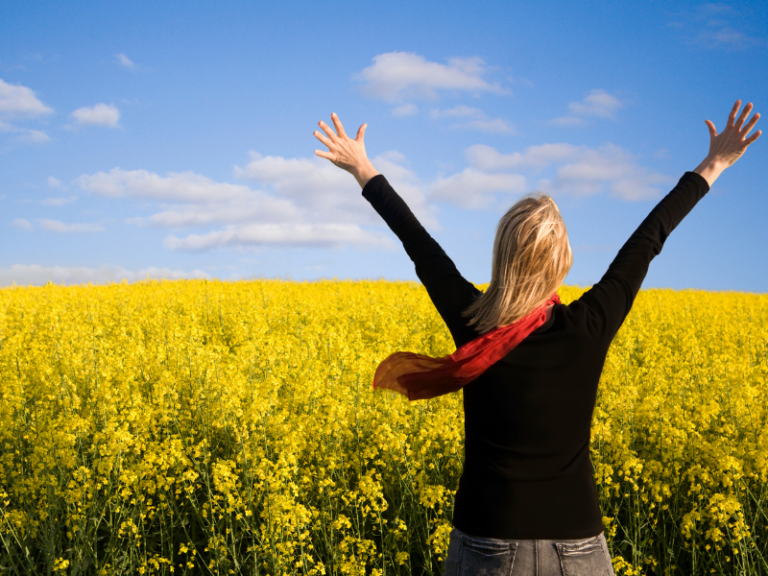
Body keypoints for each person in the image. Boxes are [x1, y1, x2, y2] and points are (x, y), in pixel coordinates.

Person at [313, 101, 761, 576]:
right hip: (578, 547)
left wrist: (362, 168)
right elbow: (649, 238)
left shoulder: (474, 322)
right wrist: (713, 165)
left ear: (501, 253)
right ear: (562, 260)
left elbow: (419, 244)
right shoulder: (589, 327)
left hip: (486, 540)